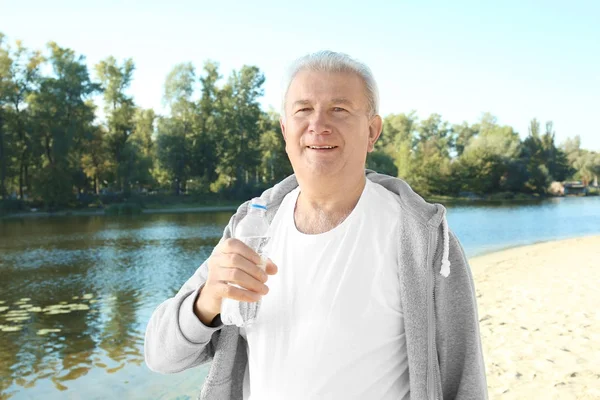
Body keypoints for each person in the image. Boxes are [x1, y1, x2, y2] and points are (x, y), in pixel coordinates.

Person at [144, 50, 488, 400]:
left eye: (339, 109)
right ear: (284, 129)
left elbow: (465, 381)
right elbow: (160, 356)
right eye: (303, 109)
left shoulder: (423, 239)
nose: (318, 124)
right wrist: (208, 300)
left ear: (372, 131)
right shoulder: (252, 227)